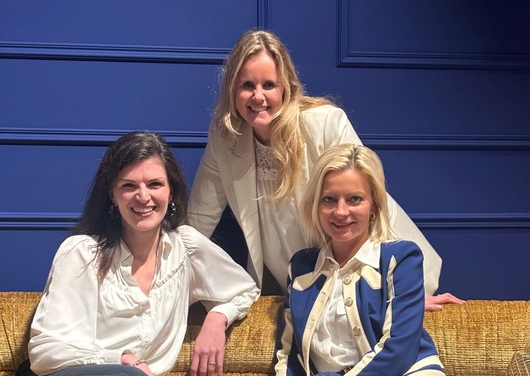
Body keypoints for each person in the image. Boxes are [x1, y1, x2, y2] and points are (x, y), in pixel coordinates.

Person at [187, 29, 462, 311]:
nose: (258, 96)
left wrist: (400, 290)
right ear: (232, 90)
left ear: (286, 87)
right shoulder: (225, 138)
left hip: (357, 275)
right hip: (295, 286)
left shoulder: (325, 124)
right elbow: (199, 219)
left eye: (269, 84)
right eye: (247, 85)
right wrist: (170, 284)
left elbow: (367, 207)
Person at [0, 132, 260, 376]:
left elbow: (245, 289)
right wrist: (126, 360)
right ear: (112, 194)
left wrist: (217, 318)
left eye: (155, 184)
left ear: (171, 192)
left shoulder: (186, 248)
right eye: (129, 185)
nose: (143, 196)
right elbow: (45, 352)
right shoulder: (82, 252)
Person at [270, 144, 459, 376]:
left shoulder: (401, 258)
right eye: (329, 199)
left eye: (354, 199)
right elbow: (289, 353)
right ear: (316, 205)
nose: (340, 211)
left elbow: (400, 348)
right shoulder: (301, 268)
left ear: (374, 206)